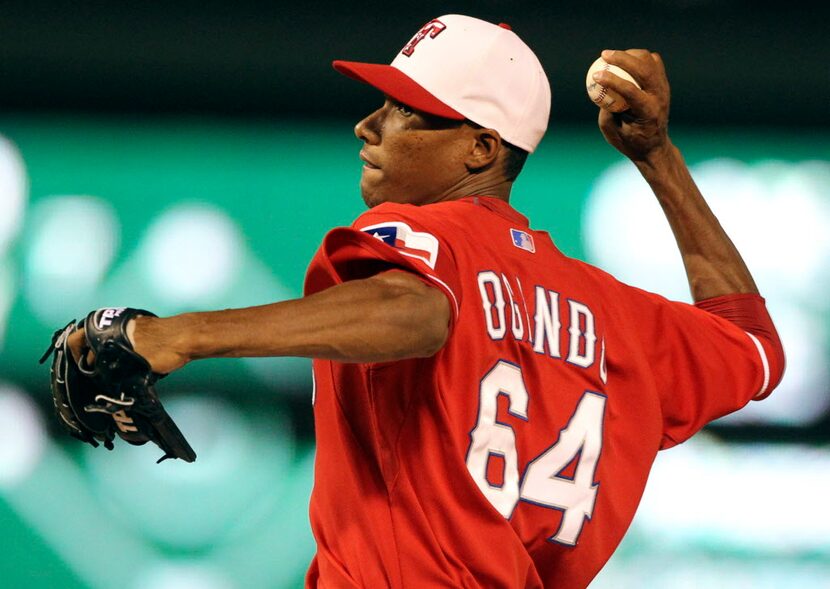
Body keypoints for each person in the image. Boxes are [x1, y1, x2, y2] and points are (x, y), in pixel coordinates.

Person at [69, 14, 785, 589]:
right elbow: (753, 346)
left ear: (479, 149)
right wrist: (656, 154)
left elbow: (415, 311)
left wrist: (178, 335)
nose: (369, 126)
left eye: (405, 111)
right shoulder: (616, 313)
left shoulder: (427, 235)